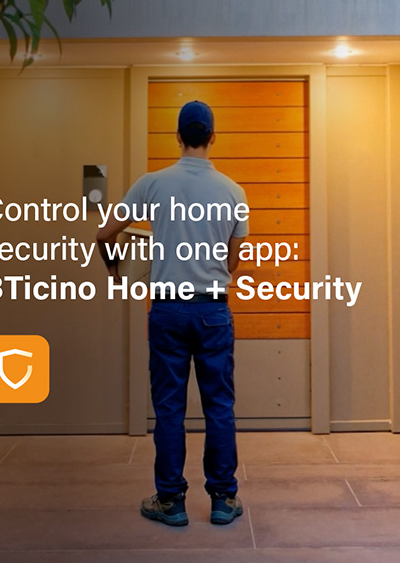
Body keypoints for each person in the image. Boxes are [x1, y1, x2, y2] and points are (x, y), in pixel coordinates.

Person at [96, 100, 248, 527]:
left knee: (168, 408)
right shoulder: (233, 191)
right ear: (212, 137)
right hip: (213, 311)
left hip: (166, 310)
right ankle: (222, 500)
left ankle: (171, 502)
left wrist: (115, 271)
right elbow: (232, 263)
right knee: (219, 406)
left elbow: (105, 232)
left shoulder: (152, 184)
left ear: (179, 137)